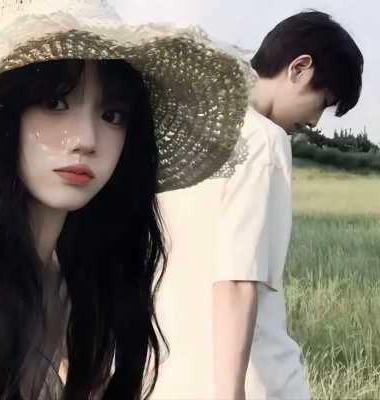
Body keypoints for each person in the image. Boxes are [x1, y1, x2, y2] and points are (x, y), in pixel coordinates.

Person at [0, 0, 251, 398]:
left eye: (112, 115)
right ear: (0, 112)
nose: (86, 140)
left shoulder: (68, 277)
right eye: (54, 103)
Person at [153, 10, 364, 400]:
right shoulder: (264, 139)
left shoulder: (181, 139)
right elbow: (236, 279)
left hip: (168, 376)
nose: (316, 121)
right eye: (322, 101)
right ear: (299, 68)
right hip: (252, 379)